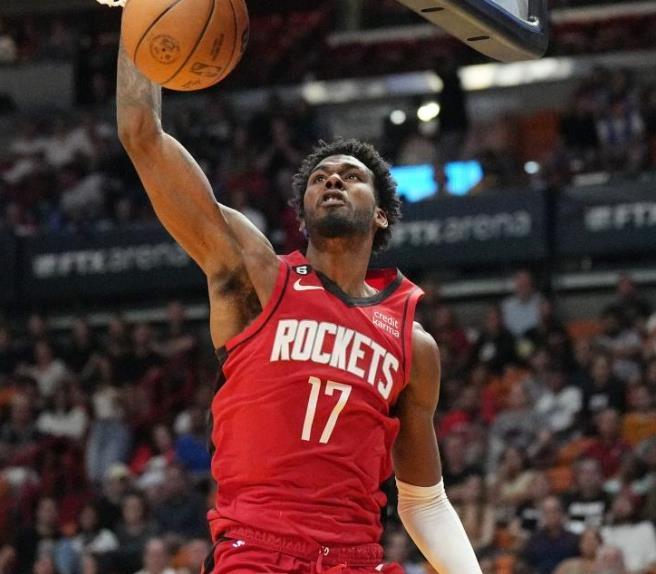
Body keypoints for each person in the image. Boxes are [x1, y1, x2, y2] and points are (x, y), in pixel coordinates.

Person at [116, 15, 481, 574]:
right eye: (319, 177)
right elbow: (141, 135)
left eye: (351, 176)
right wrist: (137, 15)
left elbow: (425, 502)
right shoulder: (257, 275)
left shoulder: (413, 344)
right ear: (303, 215)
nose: (332, 179)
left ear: (381, 214)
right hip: (258, 551)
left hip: (355, 559)